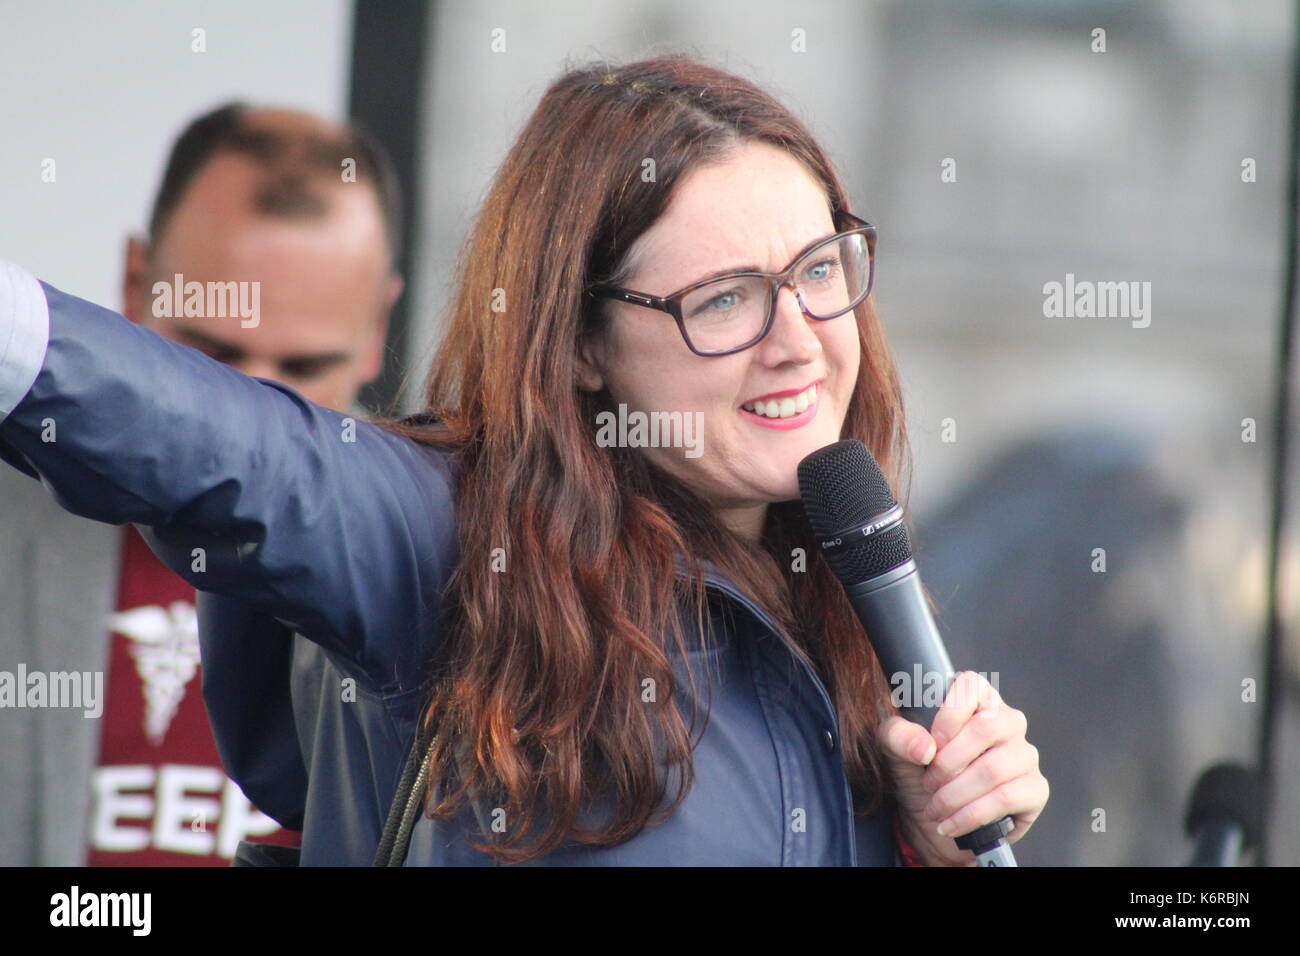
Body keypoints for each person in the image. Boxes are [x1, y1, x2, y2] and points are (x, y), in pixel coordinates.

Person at [0, 55, 1047, 866]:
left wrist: (923, 838)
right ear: (582, 344)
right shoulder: (456, 531)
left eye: (819, 269)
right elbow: (235, 450)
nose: (797, 335)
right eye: (723, 298)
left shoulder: (840, 597)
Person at [0, 101, 404, 865]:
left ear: (377, 328)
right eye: (212, 352)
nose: (242, 421)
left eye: (300, 370)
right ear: (134, 282)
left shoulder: (445, 576)